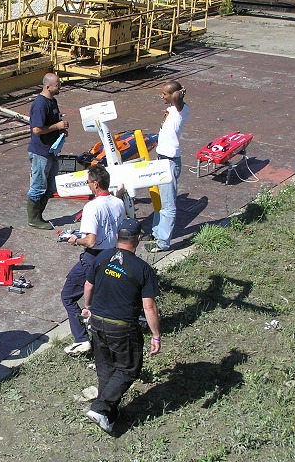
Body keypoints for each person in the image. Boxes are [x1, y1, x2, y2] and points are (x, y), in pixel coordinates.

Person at [82, 218, 161, 433]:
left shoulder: (102, 256)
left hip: (97, 322)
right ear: (138, 239)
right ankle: (100, 407)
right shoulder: (142, 269)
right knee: (128, 368)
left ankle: (109, 414)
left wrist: (87, 307)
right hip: (122, 326)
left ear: (117, 237)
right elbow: (149, 307)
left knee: (106, 367)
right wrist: (156, 335)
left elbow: (88, 285)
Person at [61, 165, 125, 355]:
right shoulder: (118, 203)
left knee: (68, 295)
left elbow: (90, 241)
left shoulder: (91, 207)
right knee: (102, 296)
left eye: (88, 183)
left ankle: (81, 339)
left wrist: (75, 239)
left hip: (93, 257)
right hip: (113, 254)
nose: (88, 186)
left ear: (96, 185)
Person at [147, 80, 190, 252]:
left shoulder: (181, 110)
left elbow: (179, 100)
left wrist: (179, 93)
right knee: (160, 200)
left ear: (174, 95)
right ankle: (157, 232)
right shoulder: (171, 110)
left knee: (167, 204)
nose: (161, 96)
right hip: (161, 158)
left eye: (165, 94)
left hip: (169, 161)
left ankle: (163, 242)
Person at [27, 72, 69, 230]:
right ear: (48, 87)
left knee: (50, 186)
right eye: (58, 84)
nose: (60, 86)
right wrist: (56, 127)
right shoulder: (40, 104)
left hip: (51, 150)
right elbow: (37, 129)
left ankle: (39, 216)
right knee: (38, 186)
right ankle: (33, 219)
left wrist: (61, 129)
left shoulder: (53, 101)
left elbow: (54, 121)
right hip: (40, 152)